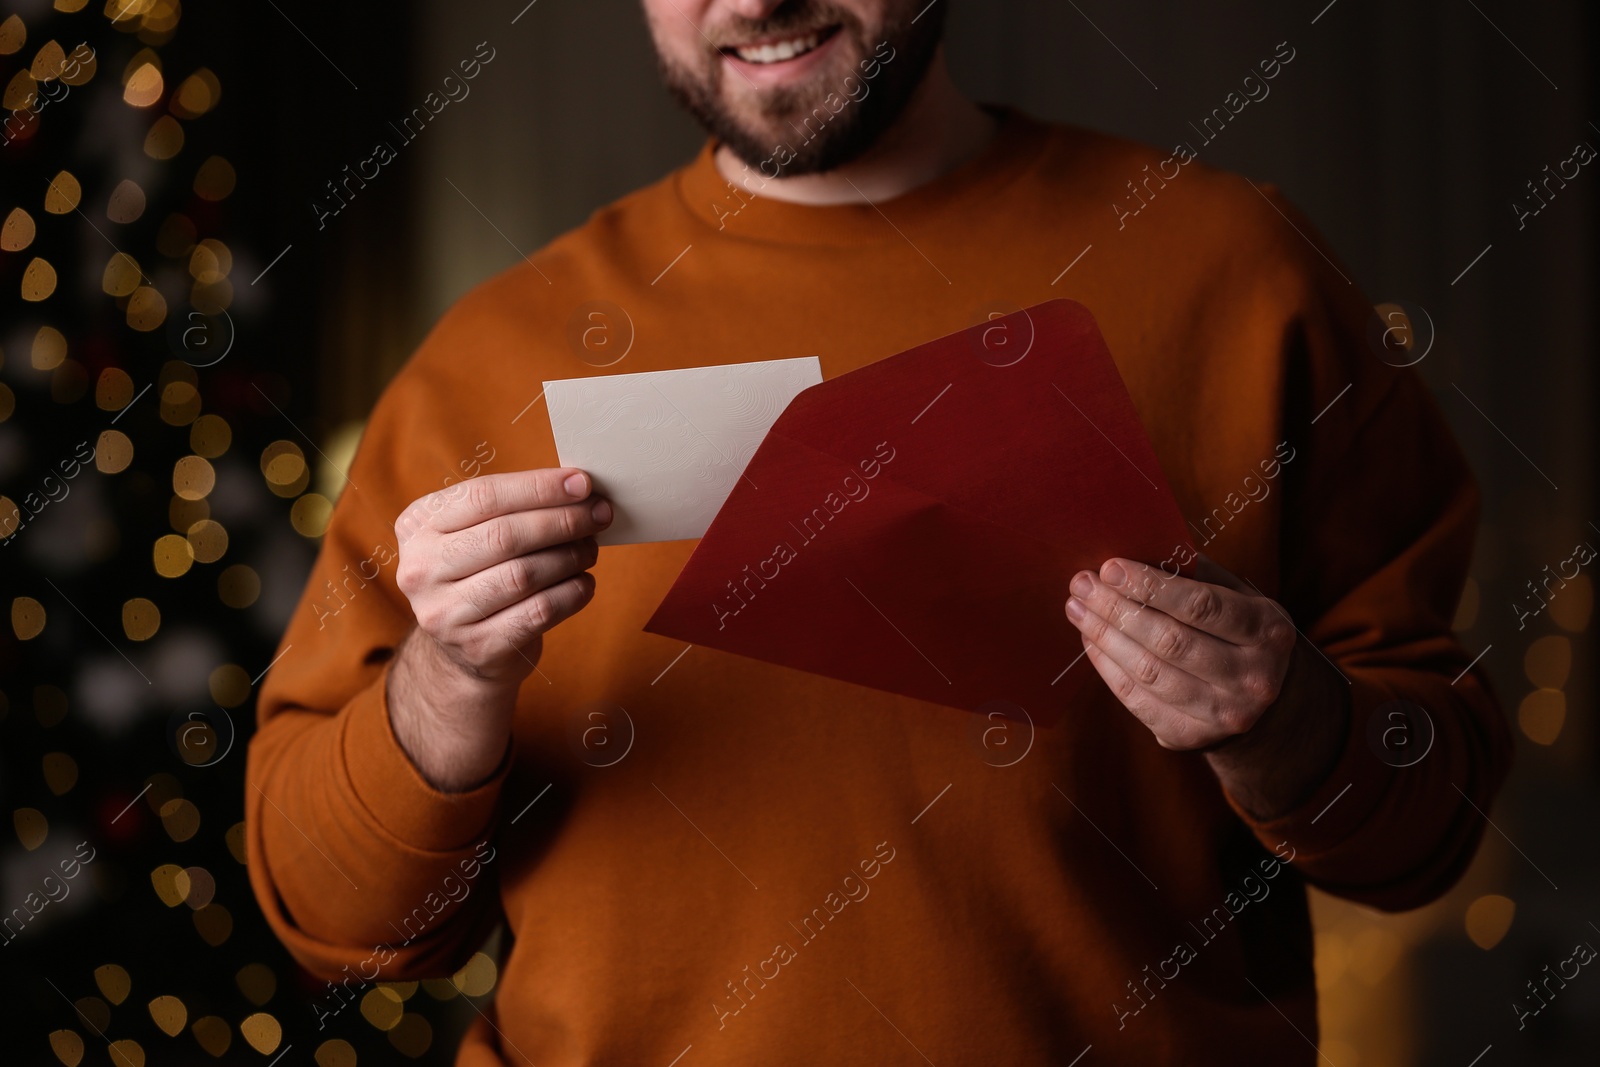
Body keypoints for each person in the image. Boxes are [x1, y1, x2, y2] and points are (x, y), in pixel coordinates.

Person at [244, 1, 1511, 1063]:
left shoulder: (1241, 271)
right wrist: (445, 683)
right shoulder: (484, 362)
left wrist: (1288, 718)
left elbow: (1428, 817)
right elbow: (330, 920)